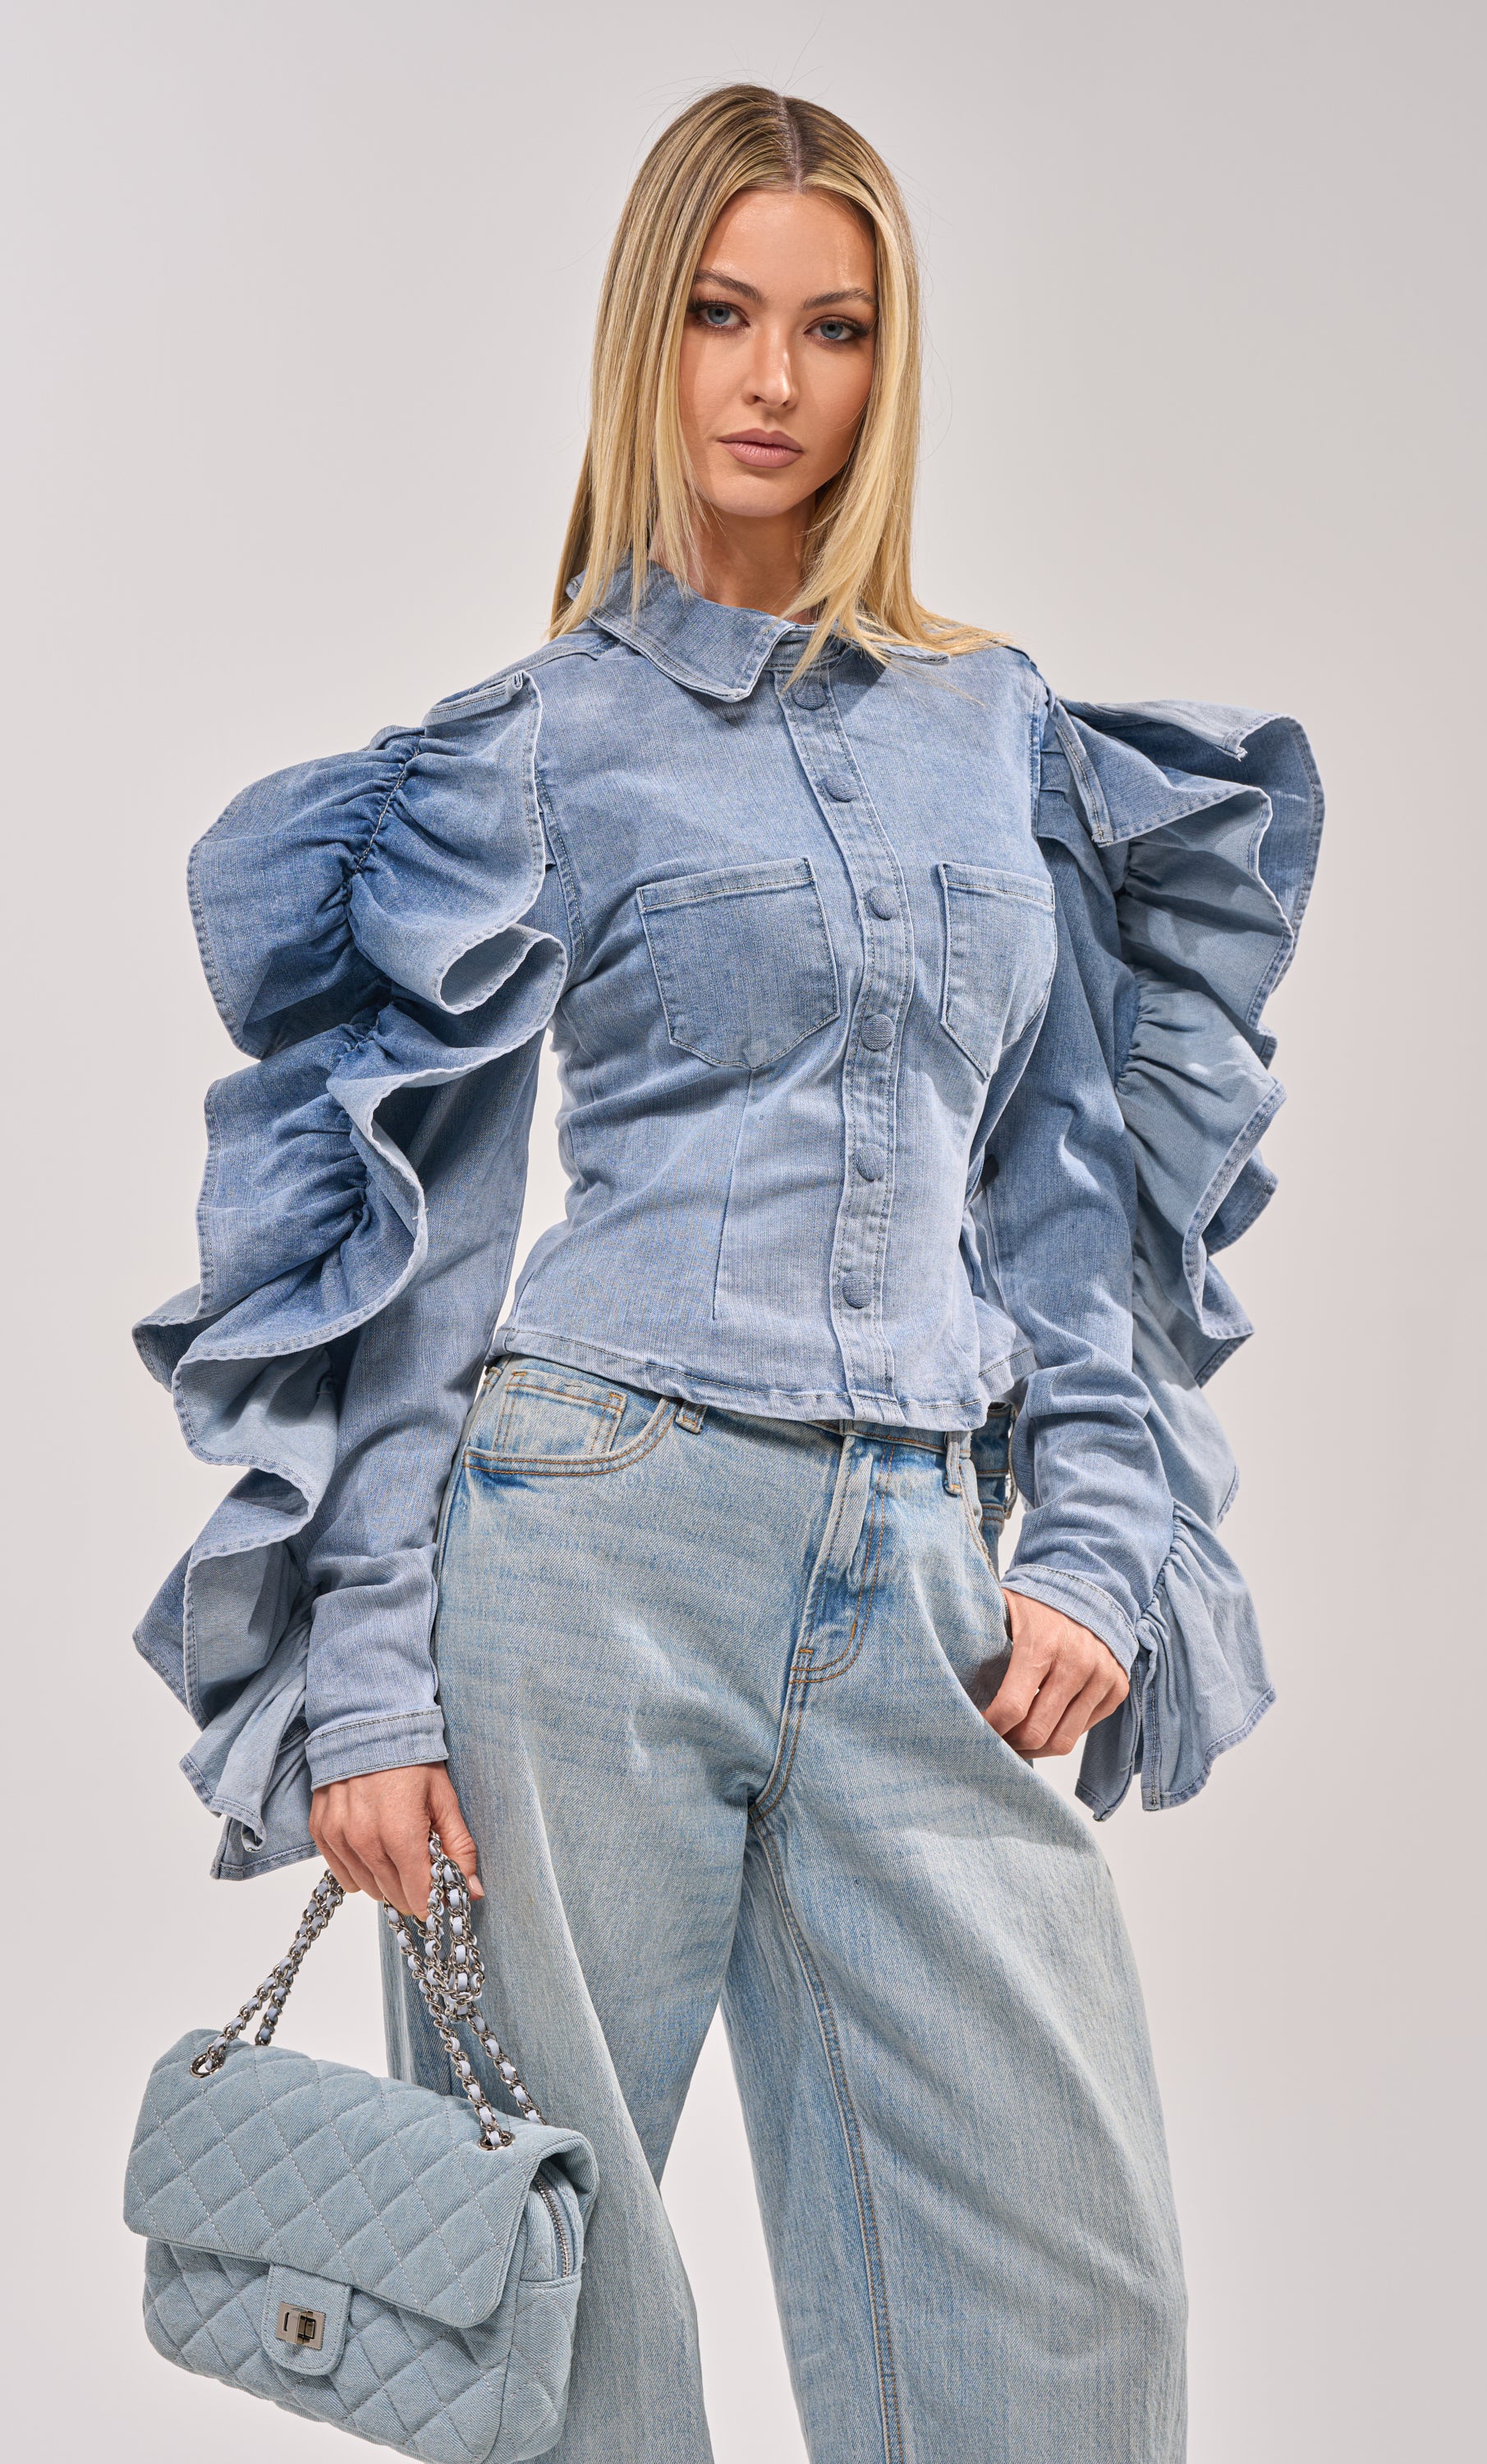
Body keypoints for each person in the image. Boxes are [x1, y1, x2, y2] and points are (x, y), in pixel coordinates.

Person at [135, 82, 1321, 2464]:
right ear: (645, 339)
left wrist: (1093, 1532)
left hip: (915, 1579)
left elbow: (1071, 1207)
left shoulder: (1000, 736)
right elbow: (418, 1233)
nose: (775, 379)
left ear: (893, 365)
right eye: (724, 314)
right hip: (584, 1545)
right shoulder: (535, 749)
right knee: (559, 2326)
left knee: (1076, 2305)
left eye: (836, 326)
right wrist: (365, 1681)